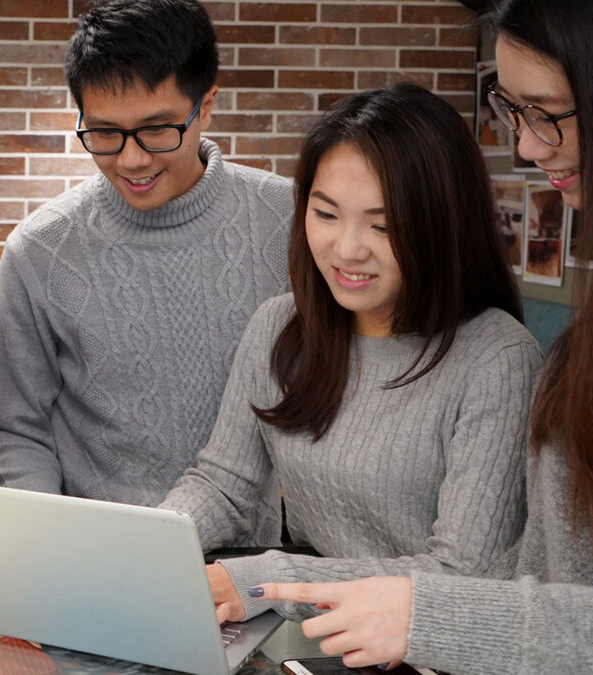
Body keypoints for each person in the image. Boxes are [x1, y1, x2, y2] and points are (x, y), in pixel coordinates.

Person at [256, 1, 593, 672]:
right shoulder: (571, 353)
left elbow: (481, 571)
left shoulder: (497, 354)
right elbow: (550, 578)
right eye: (511, 108)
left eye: (548, 111)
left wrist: (426, 614)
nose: (526, 146)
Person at [157, 83, 542, 626]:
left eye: (384, 226)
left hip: (431, 647)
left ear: (442, 226)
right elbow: (224, 484)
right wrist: (147, 550)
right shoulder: (279, 326)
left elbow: (463, 574)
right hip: (326, 633)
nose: (347, 249)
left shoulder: (497, 358)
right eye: (327, 213)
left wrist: (273, 581)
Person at [0, 0, 293, 512]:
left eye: (157, 128)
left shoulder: (290, 219)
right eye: (104, 133)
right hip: (95, 553)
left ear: (207, 105)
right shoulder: (40, 249)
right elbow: (16, 425)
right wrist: (44, 539)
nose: (132, 159)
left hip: (250, 565)